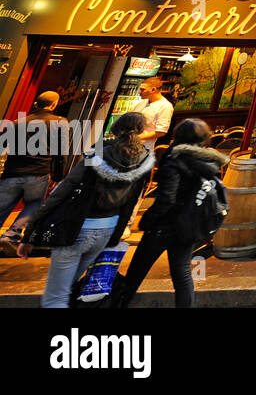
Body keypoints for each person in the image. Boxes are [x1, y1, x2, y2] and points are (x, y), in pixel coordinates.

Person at [18, 112, 154, 308]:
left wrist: (32, 230)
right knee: (68, 286)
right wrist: (115, 236)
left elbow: (66, 187)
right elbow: (131, 202)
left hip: (77, 226)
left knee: (56, 296)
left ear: (116, 128)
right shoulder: (144, 160)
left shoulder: (98, 152)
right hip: (106, 229)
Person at [110, 118, 226, 309]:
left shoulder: (174, 158)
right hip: (188, 226)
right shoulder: (207, 160)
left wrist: (148, 219)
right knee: (182, 274)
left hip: (164, 226)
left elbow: (167, 198)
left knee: (135, 275)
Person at [0, 91, 69, 255]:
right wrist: (58, 175)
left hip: (13, 171)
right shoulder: (60, 122)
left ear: (35, 104)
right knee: (34, 204)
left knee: (2, 206)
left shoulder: (17, 122)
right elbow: (61, 153)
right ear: (54, 105)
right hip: (39, 172)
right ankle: (11, 235)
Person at [131, 78, 174, 151]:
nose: (139, 92)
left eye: (142, 89)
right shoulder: (141, 103)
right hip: (127, 145)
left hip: (142, 149)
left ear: (153, 90)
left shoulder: (165, 106)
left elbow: (161, 132)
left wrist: (137, 137)